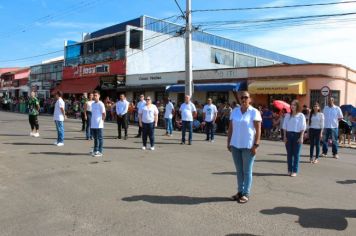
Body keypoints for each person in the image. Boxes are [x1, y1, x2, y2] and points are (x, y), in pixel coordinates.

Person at [227, 91, 261, 204]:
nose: (243, 99)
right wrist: (229, 142)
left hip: (248, 146)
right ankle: (240, 192)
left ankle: (246, 193)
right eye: (242, 97)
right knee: (239, 171)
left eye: (246, 97)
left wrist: (256, 145)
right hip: (235, 144)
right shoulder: (235, 111)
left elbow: (258, 130)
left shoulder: (254, 112)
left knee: (247, 171)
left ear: (249, 99)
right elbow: (231, 128)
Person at [283, 100, 306, 177]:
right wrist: (285, 136)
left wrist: (301, 137)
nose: (292, 106)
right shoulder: (287, 115)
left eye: (294, 105)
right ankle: (289, 170)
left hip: (297, 135)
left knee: (296, 154)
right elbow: (284, 127)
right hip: (288, 135)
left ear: (297, 106)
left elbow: (303, 128)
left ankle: (295, 170)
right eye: (291, 105)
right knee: (289, 154)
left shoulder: (301, 115)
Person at [90, 90, 106, 157]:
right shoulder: (92, 104)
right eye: (94, 95)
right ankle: (95, 150)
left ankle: (100, 151)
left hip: (99, 124)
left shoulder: (101, 104)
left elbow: (104, 113)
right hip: (93, 124)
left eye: (96, 95)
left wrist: (102, 121)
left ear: (99, 96)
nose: (95, 97)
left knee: (100, 138)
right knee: (95, 138)